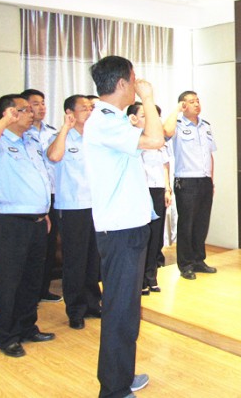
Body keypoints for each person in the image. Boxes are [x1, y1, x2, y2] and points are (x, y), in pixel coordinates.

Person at [84, 56, 164, 398]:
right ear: (121, 83)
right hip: (120, 231)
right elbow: (156, 139)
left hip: (129, 226)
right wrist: (148, 98)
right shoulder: (105, 122)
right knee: (119, 309)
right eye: (134, 80)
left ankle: (121, 375)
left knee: (127, 309)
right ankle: (113, 389)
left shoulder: (114, 120)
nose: (137, 84)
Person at [0, 94, 55, 358]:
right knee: (7, 282)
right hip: (10, 222)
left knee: (31, 280)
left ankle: (27, 327)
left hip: (36, 220)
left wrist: (43, 212)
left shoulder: (31, 140)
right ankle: (6, 337)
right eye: (25, 109)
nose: (32, 113)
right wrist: (4, 122)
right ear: (10, 113)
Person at [47, 95, 101, 330]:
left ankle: (92, 303)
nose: (89, 111)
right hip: (72, 207)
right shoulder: (61, 137)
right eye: (84, 108)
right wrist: (65, 129)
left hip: (95, 205)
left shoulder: (95, 138)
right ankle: (76, 310)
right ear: (70, 113)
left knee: (93, 259)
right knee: (75, 261)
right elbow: (53, 157)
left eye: (91, 108)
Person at [163, 91, 217, 280]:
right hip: (186, 181)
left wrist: (211, 181)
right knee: (186, 224)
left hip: (204, 180)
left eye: (197, 101)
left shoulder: (206, 126)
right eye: (191, 101)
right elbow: (166, 132)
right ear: (183, 105)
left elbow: (210, 155)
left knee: (201, 223)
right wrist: (177, 110)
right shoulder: (177, 125)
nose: (196, 104)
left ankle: (198, 260)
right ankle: (185, 264)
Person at [21, 88, 62, 303]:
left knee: (49, 245)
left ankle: (43, 288)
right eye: (36, 103)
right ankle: (30, 293)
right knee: (30, 248)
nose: (41, 107)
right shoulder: (21, 133)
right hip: (30, 198)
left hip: (52, 194)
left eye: (43, 103)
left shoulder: (52, 132)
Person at [128, 102, 172, 294]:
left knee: (156, 236)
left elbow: (165, 165)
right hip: (140, 191)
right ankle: (139, 281)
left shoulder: (158, 140)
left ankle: (151, 276)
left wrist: (167, 189)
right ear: (133, 119)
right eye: (144, 115)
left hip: (158, 190)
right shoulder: (132, 140)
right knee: (142, 237)